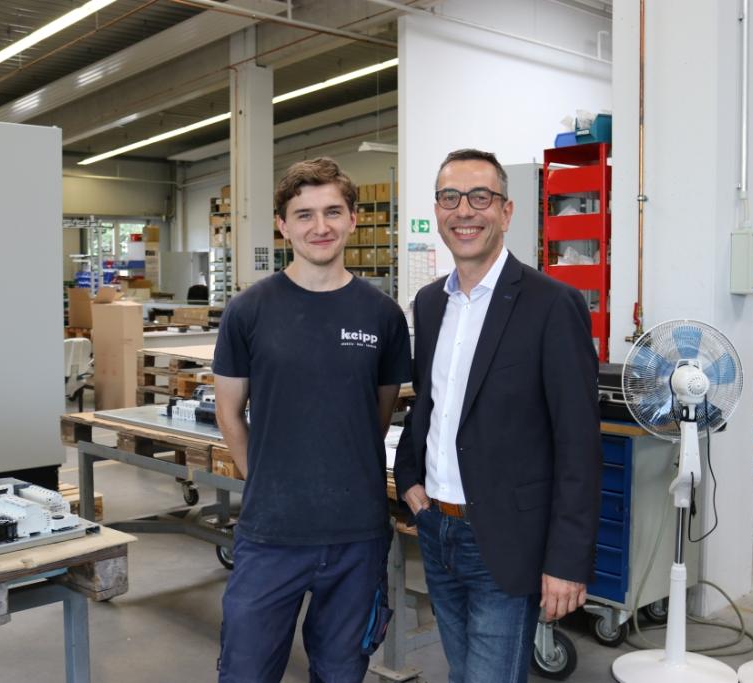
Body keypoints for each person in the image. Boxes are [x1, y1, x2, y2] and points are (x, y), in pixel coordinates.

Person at [394, 148, 601, 682]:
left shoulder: (551, 304)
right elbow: (430, 404)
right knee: (462, 673)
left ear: (506, 212)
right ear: (437, 211)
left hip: (506, 538)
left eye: (480, 197)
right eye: (450, 197)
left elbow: (578, 443)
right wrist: (409, 477)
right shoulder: (430, 303)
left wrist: (567, 560)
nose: (464, 210)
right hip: (436, 528)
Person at [213, 157, 411, 683]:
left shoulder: (382, 315)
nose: (319, 227)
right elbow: (229, 412)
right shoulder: (248, 310)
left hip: (357, 537)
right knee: (246, 671)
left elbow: (377, 413)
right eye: (304, 215)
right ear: (283, 225)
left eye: (332, 212)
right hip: (270, 535)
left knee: (342, 672)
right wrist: (265, 481)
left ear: (353, 219)